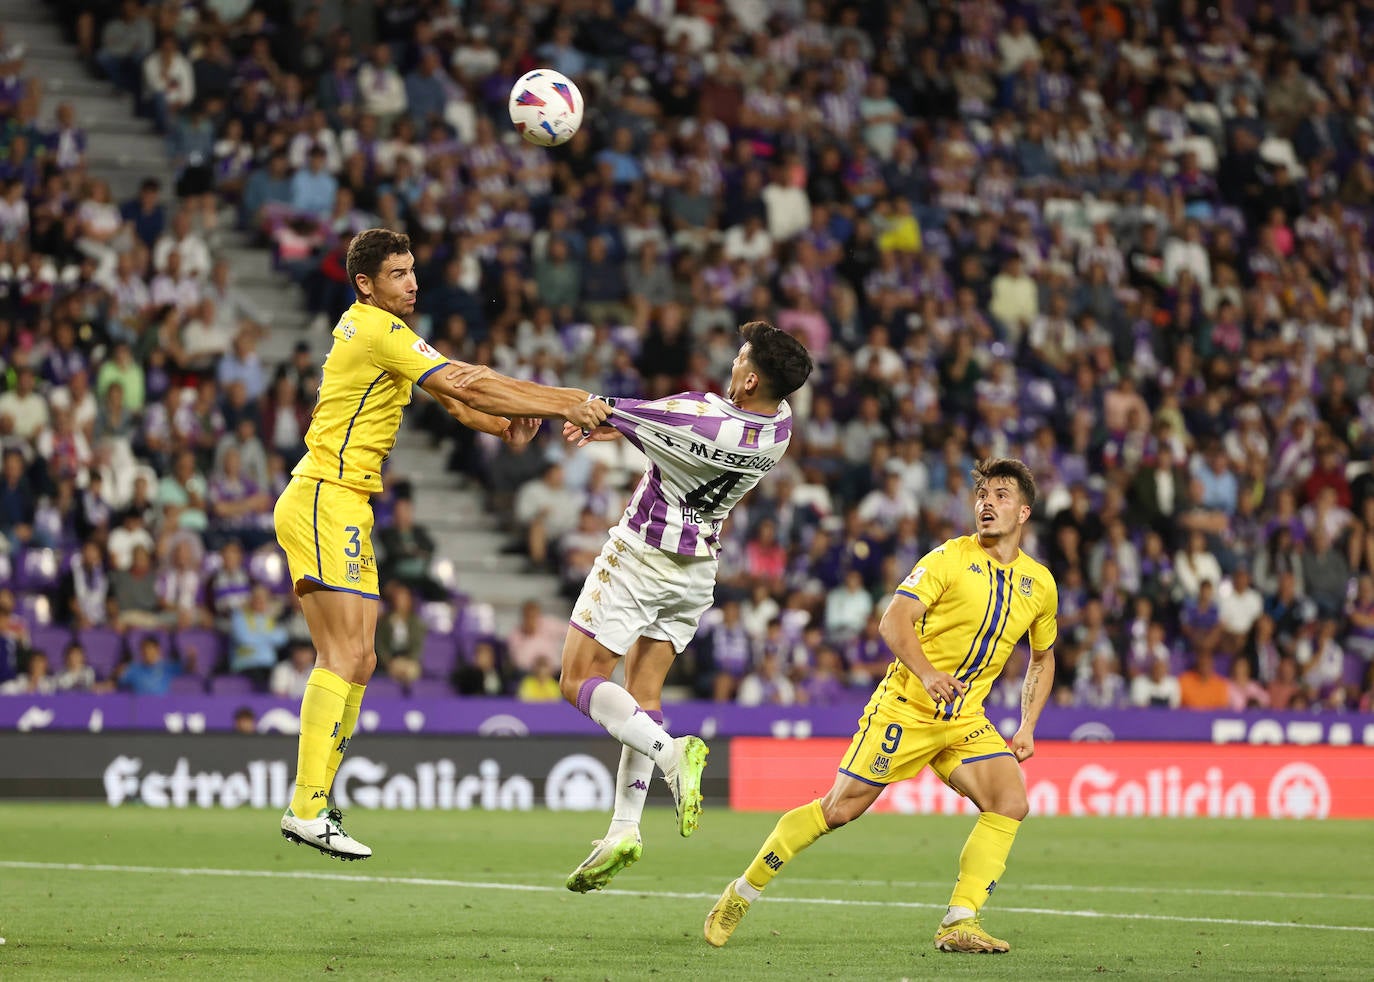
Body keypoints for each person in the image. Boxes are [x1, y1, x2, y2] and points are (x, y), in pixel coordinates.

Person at [274, 227, 611, 860]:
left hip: (339, 500)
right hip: (326, 494)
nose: (412, 282)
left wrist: (502, 423)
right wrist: (568, 401)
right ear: (366, 284)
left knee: (361, 658)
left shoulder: (380, 334)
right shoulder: (377, 329)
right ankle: (307, 805)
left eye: (412, 271)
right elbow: (466, 381)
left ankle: (315, 801)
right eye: (398, 274)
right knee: (344, 654)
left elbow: (455, 401)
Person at [703, 458, 1058, 955]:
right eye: (981, 495)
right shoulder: (947, 560)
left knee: (1010, 801)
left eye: (1000, 496)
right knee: (838, 810)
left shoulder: (1039, 583)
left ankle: (960, 920)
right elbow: (893, 622)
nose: (986, 503)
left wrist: (1027, 725)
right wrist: (929, 674)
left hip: (964, 719)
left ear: (1023, 511)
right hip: (906, 707)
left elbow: (1042, 658)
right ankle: (742, 891)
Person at [558, 320, 814, 892]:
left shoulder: (699, 413)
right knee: (642, 695)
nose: (731, 363)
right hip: (697, 573)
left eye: (739, 358)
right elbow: (657, 432)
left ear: (748, 379)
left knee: (577, 678)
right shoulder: (780, 428)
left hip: (642, 556)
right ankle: (624, 827)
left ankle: (671, 755)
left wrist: (587, 416)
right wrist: (626, 429)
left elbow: (604, 408)